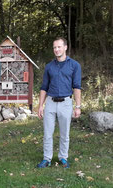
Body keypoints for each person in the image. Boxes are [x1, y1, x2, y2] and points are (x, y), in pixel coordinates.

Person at [37, 37, 81, 168]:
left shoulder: (74, 65)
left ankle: (63, 157)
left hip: (66, 103)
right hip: (50, 102)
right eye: (54, 47)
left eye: (59, 47)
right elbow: (44, 87)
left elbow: (77, 86)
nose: (56, 50)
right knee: (47, 133)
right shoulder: (49, 66)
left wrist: (78, 106)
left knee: (64, 133)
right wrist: (40, 106)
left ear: (65, 47)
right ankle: (47, 159)